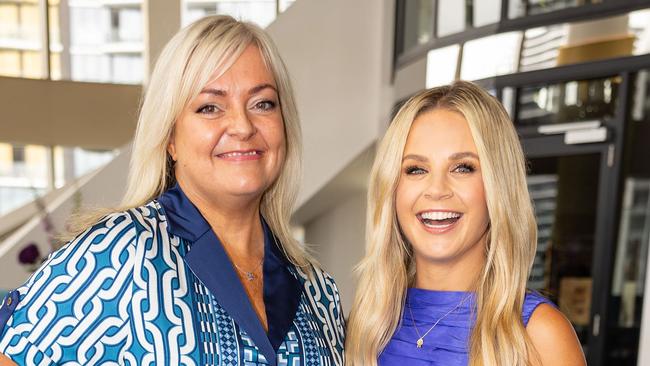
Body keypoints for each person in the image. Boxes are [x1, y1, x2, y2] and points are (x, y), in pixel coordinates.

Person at [0, 15, 344, 366]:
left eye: (263, 104)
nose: (242, 126)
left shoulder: (317, 290)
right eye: (210, 107)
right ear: (170, 138)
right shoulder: (121, 252)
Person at [345, 81, 585, 366]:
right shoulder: (369, 324)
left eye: (463, 168)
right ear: (393, 188)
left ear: (499, 185)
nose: (436, 189)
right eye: (416, 169)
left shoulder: (540, 335)